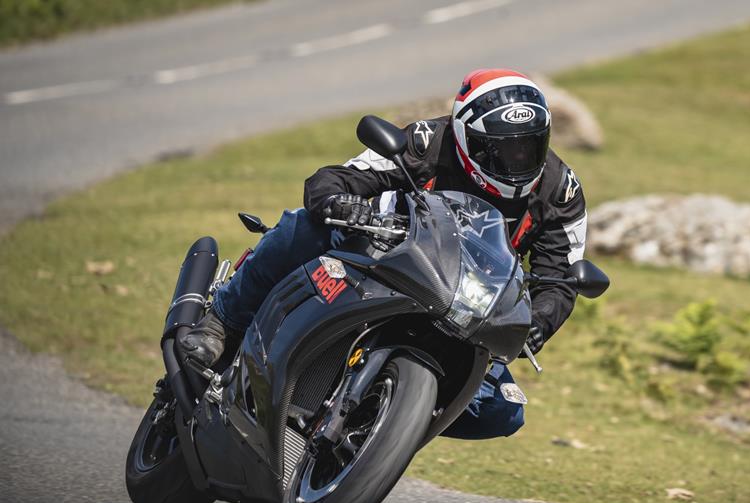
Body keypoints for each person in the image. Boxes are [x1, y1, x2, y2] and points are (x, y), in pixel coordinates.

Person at [181, 68, 588, 439]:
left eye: (528, 148)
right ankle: (221, 323)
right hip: (387, 258)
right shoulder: (428, 141)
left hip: (467, 307)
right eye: (502, 150)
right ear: (466, 138)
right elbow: (337, 178)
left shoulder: (560, 189)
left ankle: (379, 429)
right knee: (303, 227)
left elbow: (562, 276)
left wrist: (536, 322)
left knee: (503, 412)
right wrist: (338, 203)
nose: (517, 160)